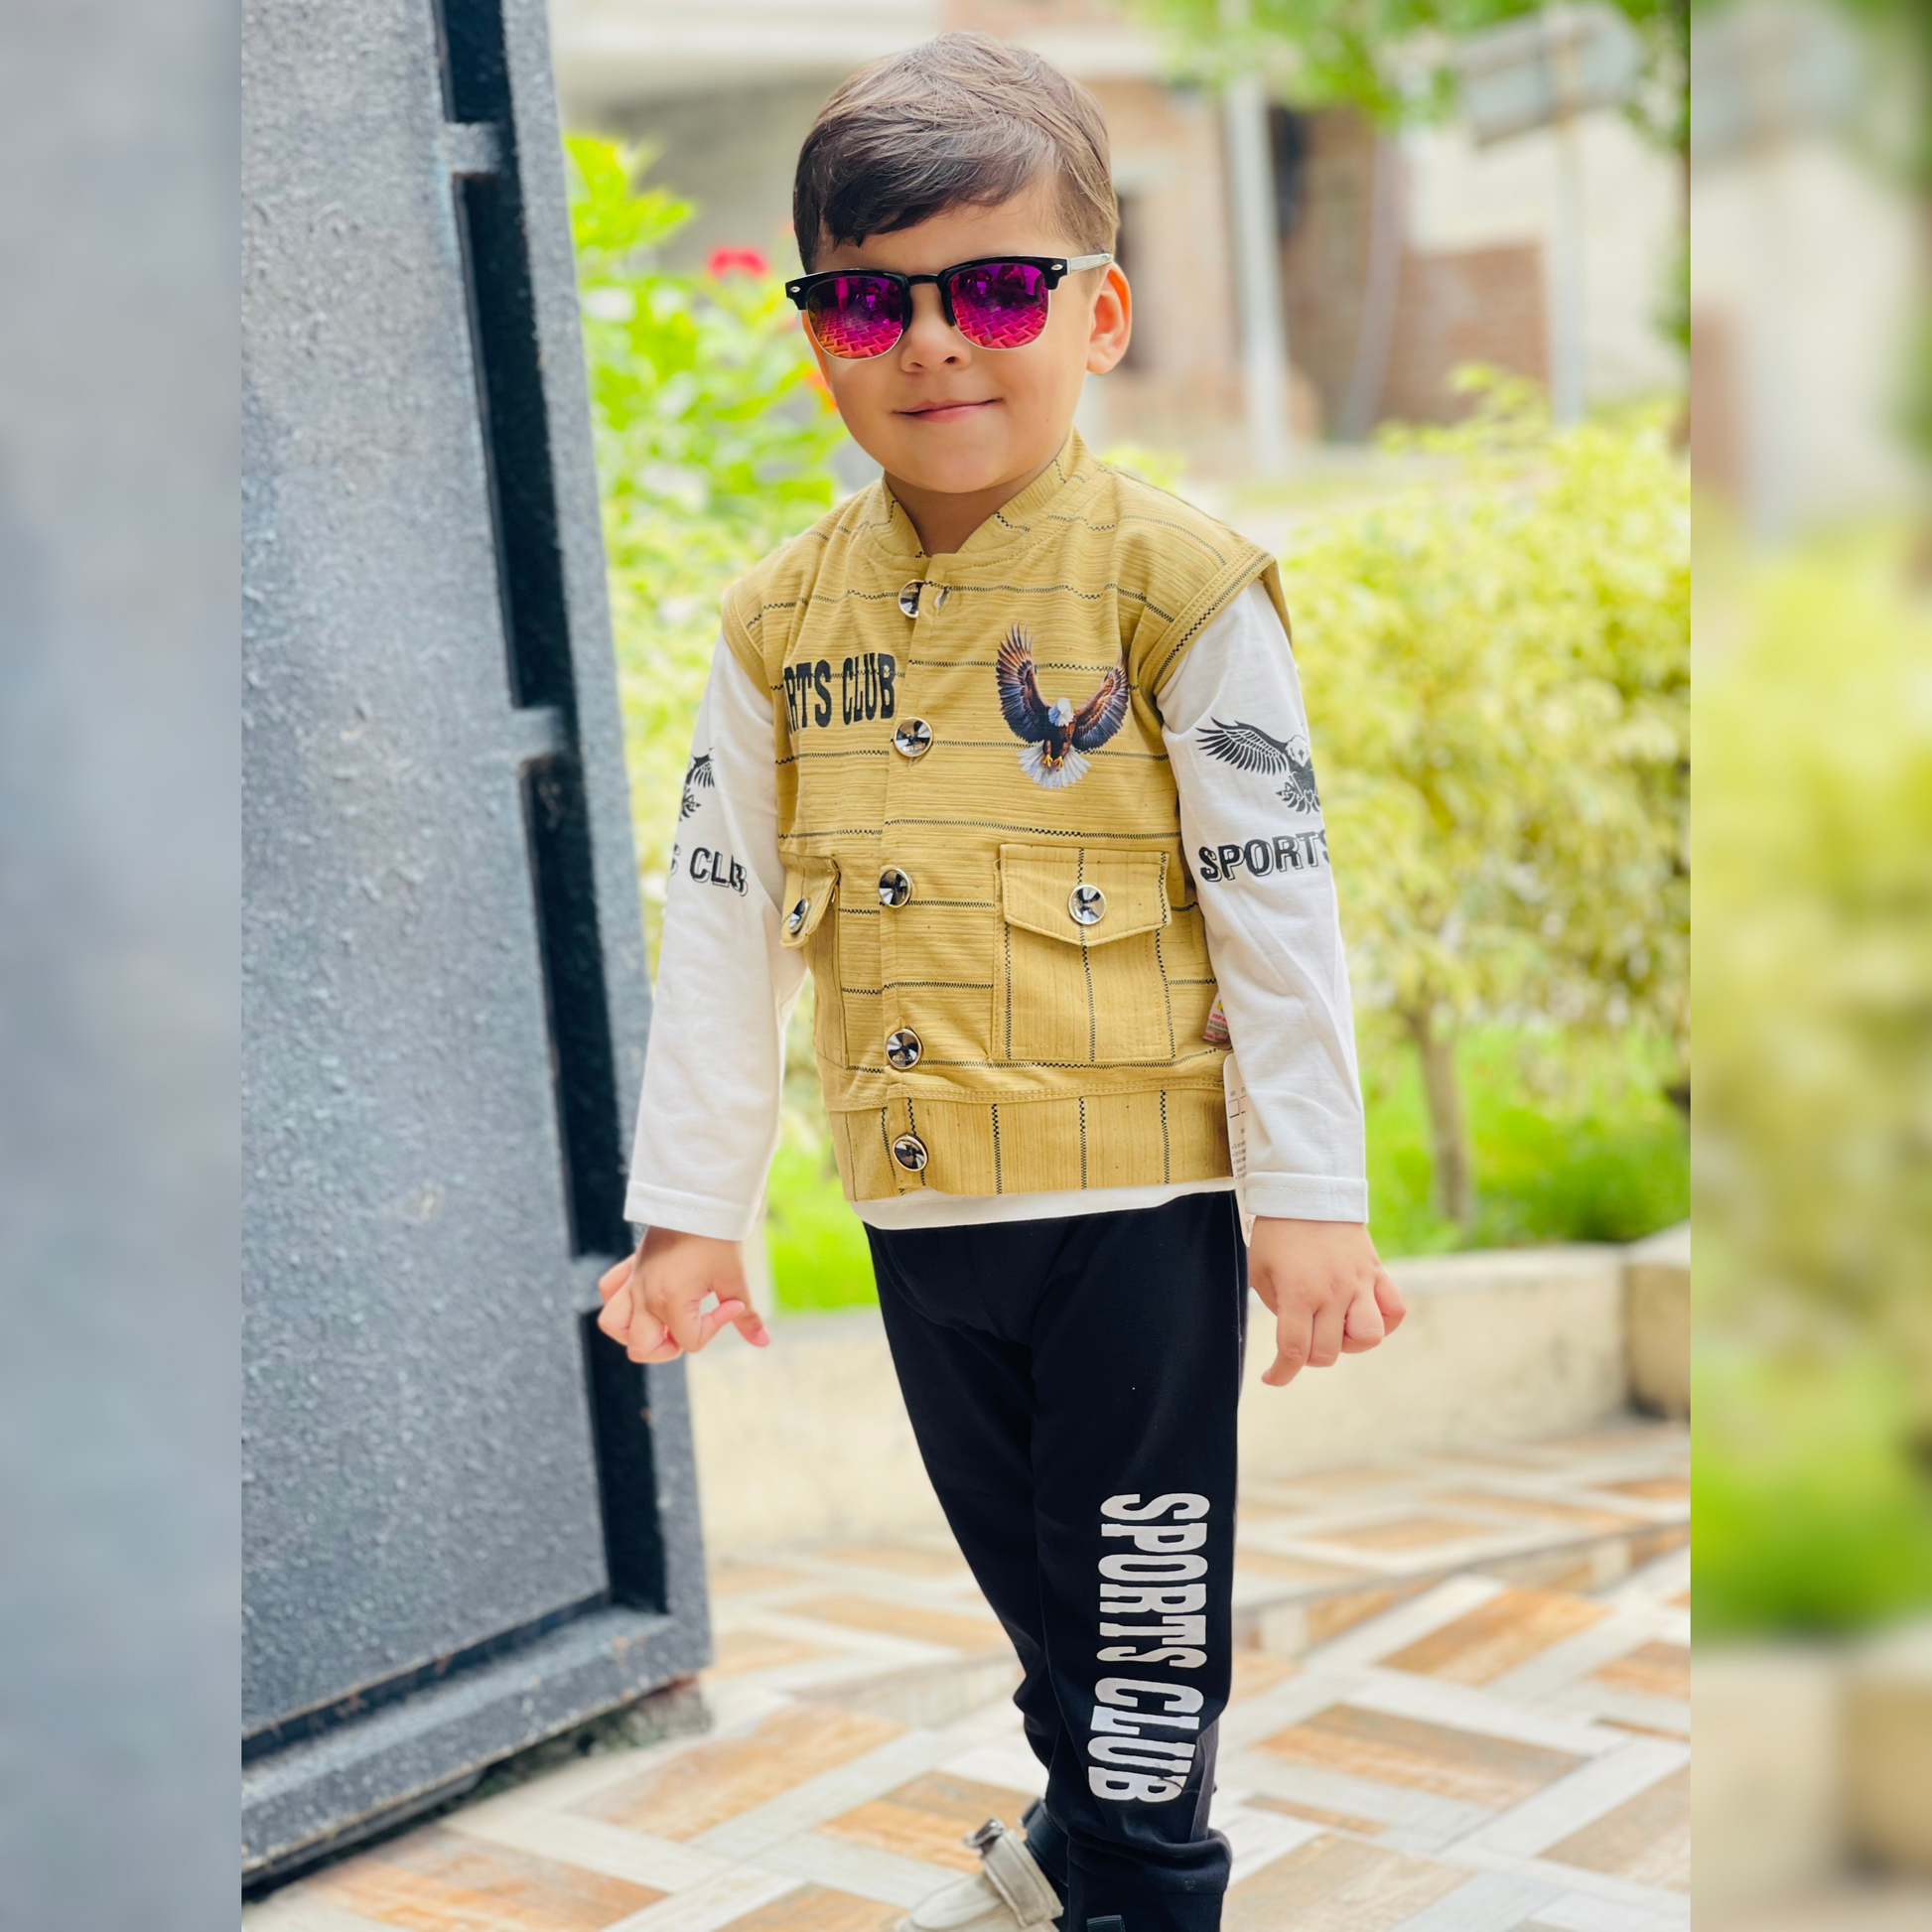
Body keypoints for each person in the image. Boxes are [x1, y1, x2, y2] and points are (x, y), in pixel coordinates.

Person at [597, 32, 1405, 1932]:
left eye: (997, 289)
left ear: (1098, 312)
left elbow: (1274, 904)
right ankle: (1077, 1832)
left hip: (1135, 1205)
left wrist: (1307, 1193)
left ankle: (1143, 1887)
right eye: (869, 301)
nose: (933, 343)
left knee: (1138, 1596)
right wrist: (690, 1212)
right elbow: (721, 915)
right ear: (818, 334)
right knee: (1038, 1580)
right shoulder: (774, 622)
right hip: (920, 1205)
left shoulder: (1175, 589)